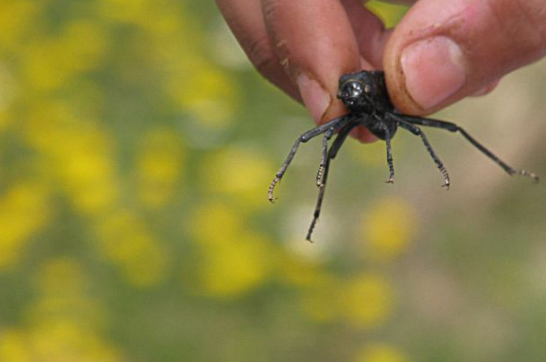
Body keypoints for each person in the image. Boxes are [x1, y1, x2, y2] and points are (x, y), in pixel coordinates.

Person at [215, 0, 546, 142]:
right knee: (316, 138)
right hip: (371, 102)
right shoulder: (357, 102)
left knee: (442, 128)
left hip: (377, 100)